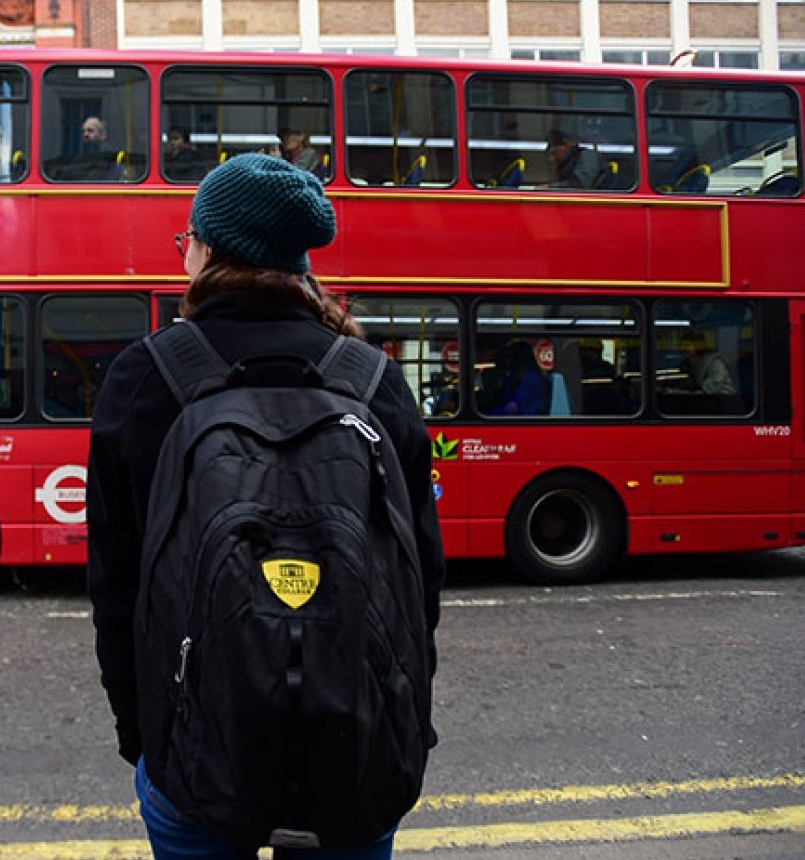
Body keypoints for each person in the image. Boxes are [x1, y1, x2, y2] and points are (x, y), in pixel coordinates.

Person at [87, 153, 445, 859]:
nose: (182, 251)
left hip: (194, 755)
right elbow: (419, 581)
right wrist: (408, 724)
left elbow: (117, 589)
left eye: (185, 238)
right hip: (362, 754)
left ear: (212, 247)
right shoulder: (374, 380)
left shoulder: (145, 378)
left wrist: (145, 736)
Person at [493, 340, 548, 416]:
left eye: (510, 358)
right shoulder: (517, 377)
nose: (508, 363)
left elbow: (513, 407)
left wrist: (490, 415)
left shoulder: (530, 379)